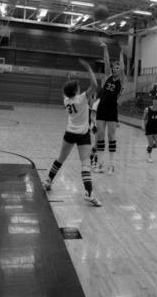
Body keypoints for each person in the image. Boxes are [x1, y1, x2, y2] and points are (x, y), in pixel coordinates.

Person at [43, 59, 102, 207]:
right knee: (85, 164)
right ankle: (89, 193)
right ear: (76, 90)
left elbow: (66, 93)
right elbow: (94, 85)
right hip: (83, 135)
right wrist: (89, 68)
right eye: (77, 86)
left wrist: (68, 82)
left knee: (60, 159)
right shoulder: (82, 98)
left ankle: (48, 181)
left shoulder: (66, 101)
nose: (79, 87)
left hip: (70, 133)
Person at [95, 41, 126, 175]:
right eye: (114, 67)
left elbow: (123, 67)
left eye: (117, 67)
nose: (115, 68)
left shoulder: (122, 80)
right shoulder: (108, 76)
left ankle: (111, 165)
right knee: (100, 135)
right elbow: (106, 62)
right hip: (101, 108)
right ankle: (100, 164)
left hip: (112, 110)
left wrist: (121, 53)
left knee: (111, 136)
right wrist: (106, 48)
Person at [142, 97, 157, 163]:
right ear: (152, 101)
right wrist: (143, 125)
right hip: (149, 127)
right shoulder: (147, 109)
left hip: (156, 128)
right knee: (151, 143)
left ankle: (148, 148)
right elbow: (143, 118)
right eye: (154, 101)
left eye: (156, 101)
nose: (155, 102)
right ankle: (149, 157)